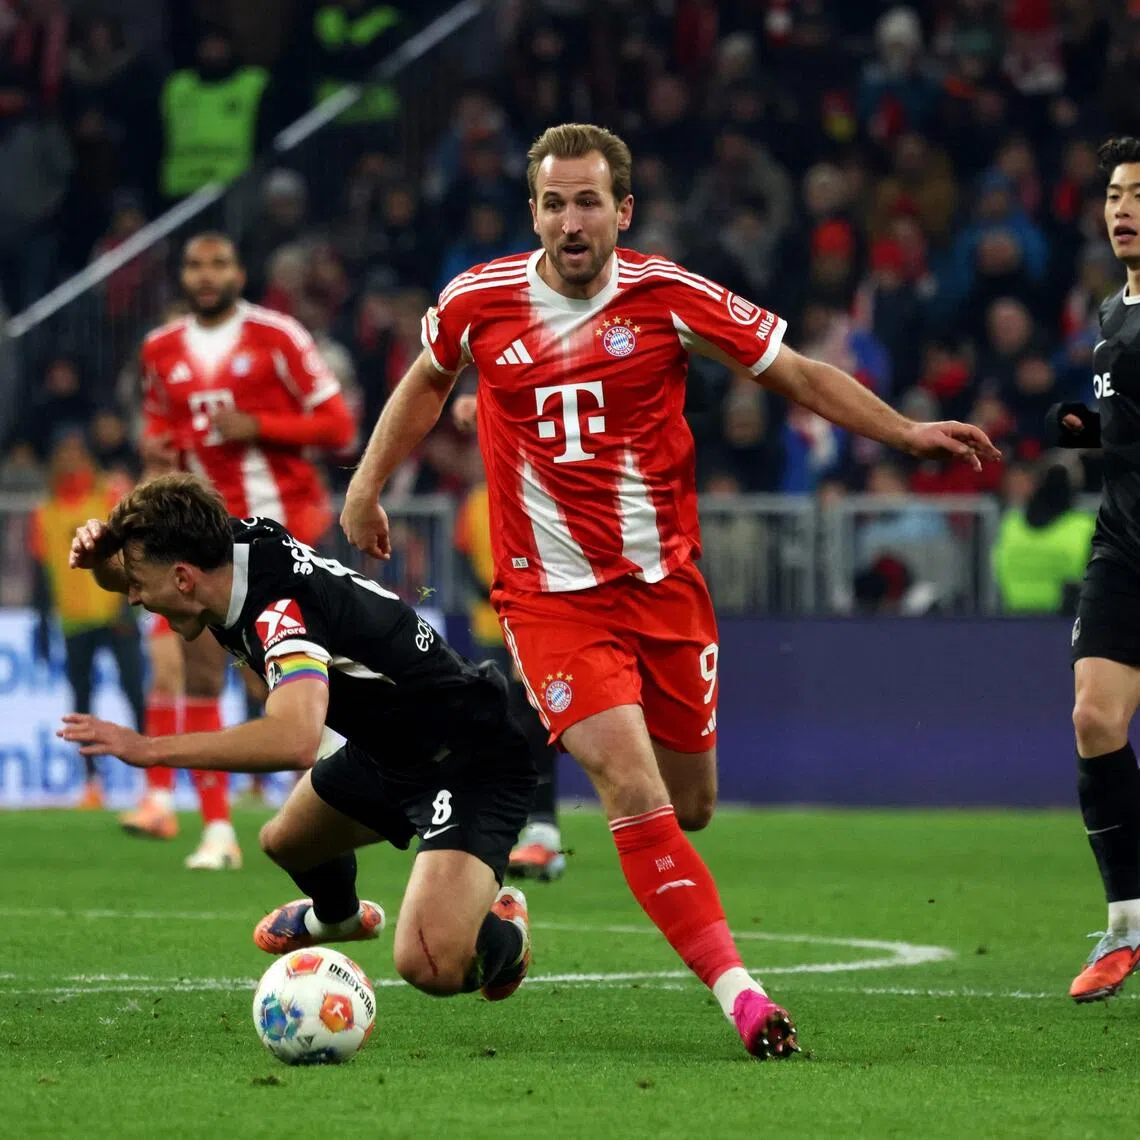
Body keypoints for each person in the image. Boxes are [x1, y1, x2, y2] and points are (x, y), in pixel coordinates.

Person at [340, 121, 1000, 1059]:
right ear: (533, 211)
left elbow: (797, 372)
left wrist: (901, 434)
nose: (572, 220)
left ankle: (512, 909)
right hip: (551, 601)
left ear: (623, 210)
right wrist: (367, 485)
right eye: (555, 202)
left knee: (689, 806)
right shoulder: (475, 301)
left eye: (589, 201)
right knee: (629, 784)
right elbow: (424, 384)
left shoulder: (670, 297)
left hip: (666, 593)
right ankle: (743, 997)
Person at [59, 474, 535, 1002]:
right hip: (390, 747)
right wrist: (102, 557)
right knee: (286, 842)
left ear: (184, 579)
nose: (132, 598)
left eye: (139, 586)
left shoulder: (279, 610)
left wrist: (151, 750)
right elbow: (134, 576)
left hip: (467, 757)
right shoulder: (220, 550)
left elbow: (295, 741)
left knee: (428, 965)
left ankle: (504, 936)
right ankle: (339, 920)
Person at [121, 231, 355, 869]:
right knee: (200, 669)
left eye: (218, 263)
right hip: (202, 540)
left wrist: (261, 427)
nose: (205, 275)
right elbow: (158, 431)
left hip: (283, 533)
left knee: (282, 677)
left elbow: (338, 426)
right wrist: (158, 454)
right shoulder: (159, 350)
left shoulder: (279, 337)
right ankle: (219, 831)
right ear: (183, 275)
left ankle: (334, 797)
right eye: (194, 264)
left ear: (239, 271)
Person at [1046, 135, 1140, 1002]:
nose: (1123, 208)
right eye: (1115, 193)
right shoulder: (1114, 315)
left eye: (1138, 194)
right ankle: (1126, 926)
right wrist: (1088, 437)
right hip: (1125, 546)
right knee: (1093, 718)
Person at [453, 393, 565, 880]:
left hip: (535, 623)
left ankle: (542, 829)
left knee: (534, 722)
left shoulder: (541, 494)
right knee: (501, 723)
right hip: (490, 629)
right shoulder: (476, 504)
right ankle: (515, 827)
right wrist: (489, 594)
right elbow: (461, 558)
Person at [30, 432, 145, 808]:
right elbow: (42, 574)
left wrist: (129, 605)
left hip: (114, 615)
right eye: (64, 454)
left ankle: (154, 782)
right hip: (74, 622)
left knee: (134, 692)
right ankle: (92, 784)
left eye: (77, 453)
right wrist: (43, 623)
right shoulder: (44, 513)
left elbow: (132, 553)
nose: (71, 461)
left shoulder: (108, 499)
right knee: (81, 704)